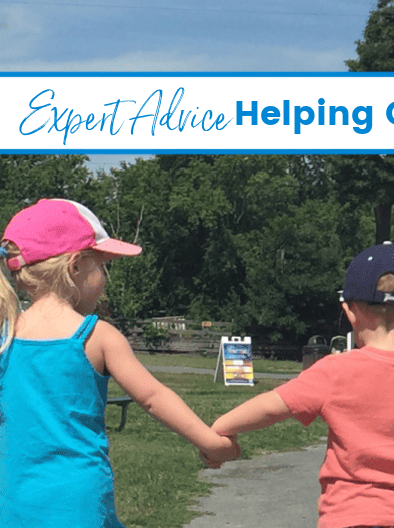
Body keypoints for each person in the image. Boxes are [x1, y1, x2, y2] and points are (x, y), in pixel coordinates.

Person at [209, 242, 394, 528]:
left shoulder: (334, 371)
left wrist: (219, 430)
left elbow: (272, 407)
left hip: (347, 518)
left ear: (349, 311)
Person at [0, 198, 240, 528]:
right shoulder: (95, 335)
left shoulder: (5, 337)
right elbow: (153, 398)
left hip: (13, 506)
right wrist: (211, 443)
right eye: (103, 266)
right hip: (78, 507)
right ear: (76, 266)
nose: (105, 277)